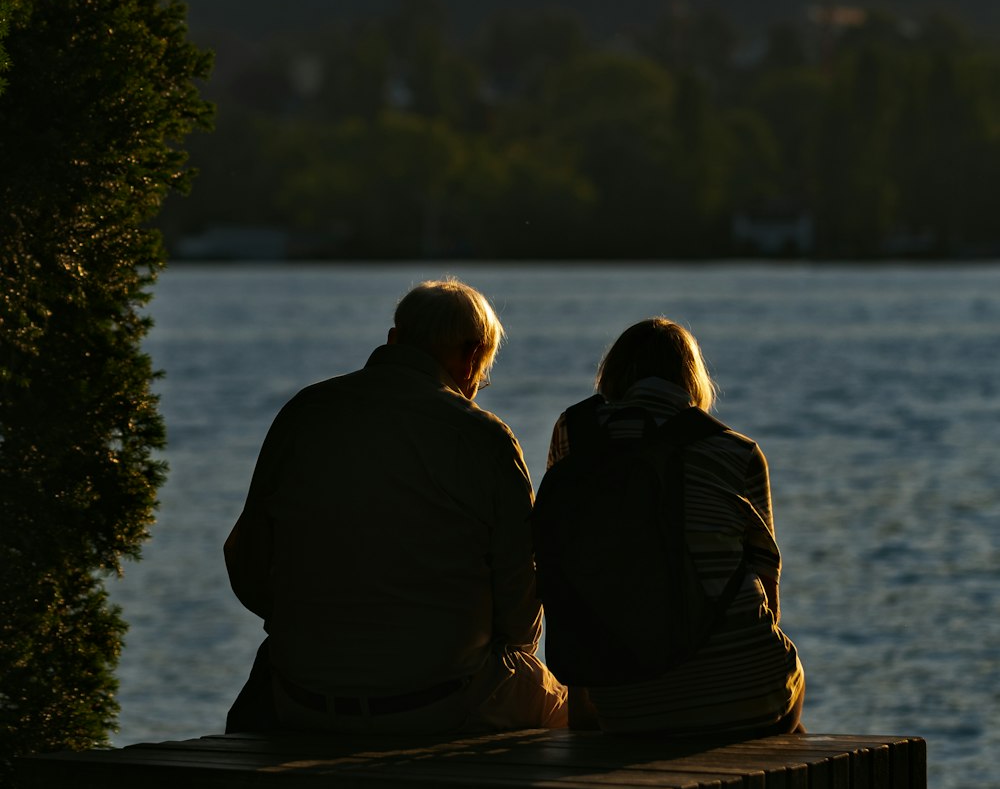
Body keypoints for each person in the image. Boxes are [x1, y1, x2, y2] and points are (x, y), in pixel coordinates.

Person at [224, 278, 566, 734]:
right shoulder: (484, 438)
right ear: (470, 357)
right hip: (440, 705)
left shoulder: (305, 412)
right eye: (482, 372)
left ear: (393, 338)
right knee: (567, 706)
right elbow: (520, 612)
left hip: (302, 699)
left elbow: (245, 562)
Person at [542, 317, 805, 737]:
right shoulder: (738, 451)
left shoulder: (575, 434)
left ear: (613, 375)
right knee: (790, 709)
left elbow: (569, 570)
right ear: (692, 379)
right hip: (751, 692)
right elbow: (768, 594)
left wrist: (585, 720)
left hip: (625, 701)